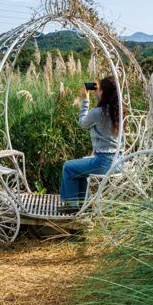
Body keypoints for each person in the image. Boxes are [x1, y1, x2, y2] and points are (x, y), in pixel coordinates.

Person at [58, 75, 120, 213]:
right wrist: (99, 94)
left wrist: (85, 100)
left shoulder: (97, 113)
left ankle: (73, 205)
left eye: (101, 90)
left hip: (104, 163)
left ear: (104, 92)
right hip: (119, 162)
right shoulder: (118, 110)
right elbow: (104, 107)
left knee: (68, 167)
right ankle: (81, 204)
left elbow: (82, 123)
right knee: (78, 169)